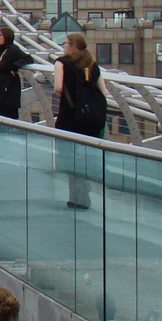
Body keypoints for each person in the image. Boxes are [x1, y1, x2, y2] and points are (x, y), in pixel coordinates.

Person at [53, 32, 108, 210]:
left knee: (70, 158)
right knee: (86, 159)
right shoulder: (92, 65)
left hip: (69, 117)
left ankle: (74, 197)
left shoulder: (61, 63)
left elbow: (58, 88)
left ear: (73, 46)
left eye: (65, 43)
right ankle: (84, 195)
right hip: (89, 118)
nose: (63, 46)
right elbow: (104, 92)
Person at [0, 28, 33, 121]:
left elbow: (28, 58)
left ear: (7, 37)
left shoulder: (12, 50)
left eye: (0, 35)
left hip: (6, 91)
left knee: (4, 117)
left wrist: (15, 66)